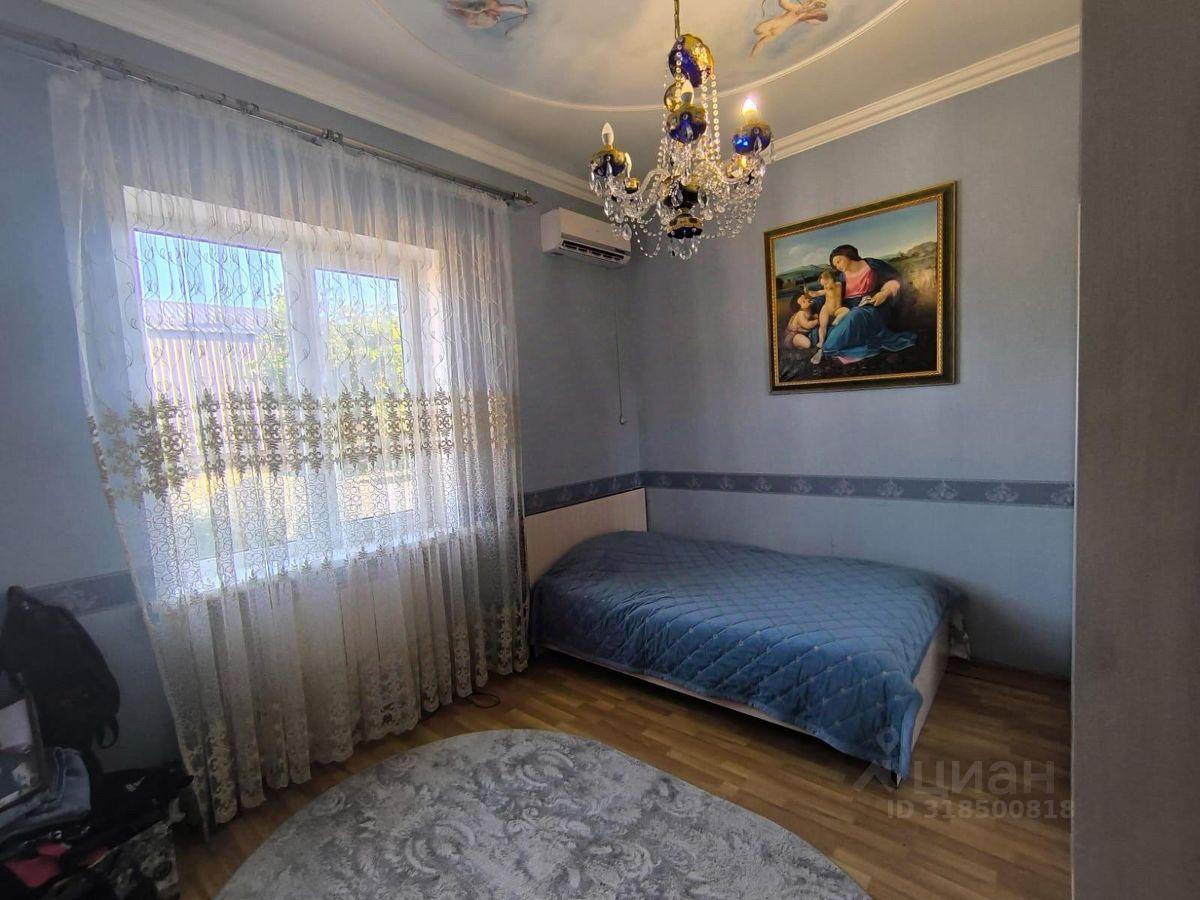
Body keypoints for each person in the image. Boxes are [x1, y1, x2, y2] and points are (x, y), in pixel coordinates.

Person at [820, 244, 917, 362]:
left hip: (873, 306)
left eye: (839, 261)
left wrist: (884, 293)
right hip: (849, 309)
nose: (838, 266)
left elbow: (894, 280)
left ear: (847, 254)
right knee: (834, 329)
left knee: (856, 315)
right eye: (835, 265)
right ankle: (862, 349)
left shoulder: (873, 265)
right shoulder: (841, 277)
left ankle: (829, 349)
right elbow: (830, 293)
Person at [803, 269, 847, 365]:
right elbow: (817, 293)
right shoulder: (826, 289)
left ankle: (838, 319)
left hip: (837, 309)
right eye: (823, 285)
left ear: (832, 279)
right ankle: (821, 341)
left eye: (826, 283)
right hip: (827, 308)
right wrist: (809, 292)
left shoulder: (839, 285)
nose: (825, 286)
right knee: (823, 326)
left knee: (846, 311)